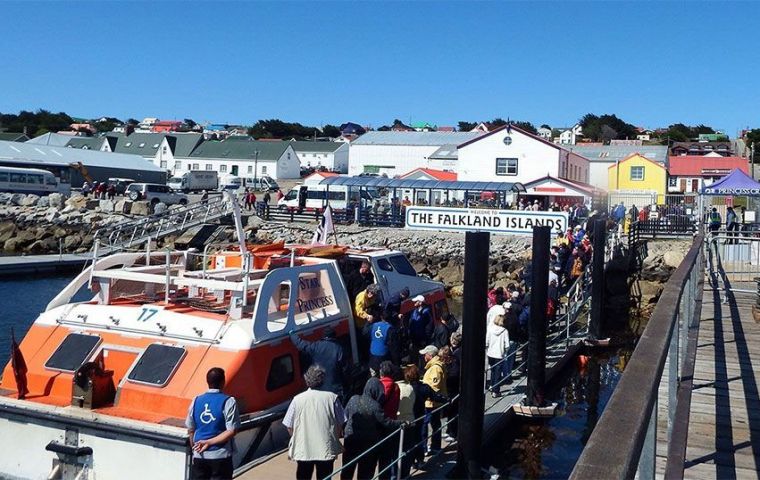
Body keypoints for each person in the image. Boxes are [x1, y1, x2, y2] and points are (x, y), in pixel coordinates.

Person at [283, 365, 344, 480]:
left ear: (306, 380)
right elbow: (340, 423)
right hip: (325, 448)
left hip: (304, 448)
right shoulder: (332, 398)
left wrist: (297, 437)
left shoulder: (297, 399)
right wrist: (334, 437)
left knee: (303, 476)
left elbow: (289, 425)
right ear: (322, 380)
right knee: (325, 476)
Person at [342, 377, 403, 480]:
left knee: (347, 470)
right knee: (365, 472)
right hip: (368, 443)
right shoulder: (375, 406)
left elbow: (345, 417)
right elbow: (387, 422)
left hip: (350, 440)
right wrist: (401, 423)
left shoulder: (353, 399)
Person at [186, 368, 240, 480]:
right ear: (223, 382)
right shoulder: (229, 401)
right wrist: (209, 442)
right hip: (220, 455)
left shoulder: (196, 400)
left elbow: (191, 429)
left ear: (207, 382)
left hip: (199, 455)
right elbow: (231, 431)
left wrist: (195, 448)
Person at [289, 326, 346, 402]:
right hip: (334, 388)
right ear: (334, 336)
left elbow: (300, 344)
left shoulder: (316, 346)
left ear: (323, 336)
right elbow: (344, 367)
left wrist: (292, 334)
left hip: (319, 388)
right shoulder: (338, 349)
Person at [421, 345, 449, 456]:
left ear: (430, 355)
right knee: (435, 424)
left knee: (425, 425)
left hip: (431, 402)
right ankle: (435, 446)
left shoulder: (435, 368)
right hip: (433, 402)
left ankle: (425, 448)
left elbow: (433, 387)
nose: (423, 356)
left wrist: (423, 391)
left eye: (425, 354)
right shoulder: (435, 366)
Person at [486, 314, 509, 398]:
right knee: (498, 373)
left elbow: (486, 342)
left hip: (491, 354)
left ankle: (491, 386)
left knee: (492, 370)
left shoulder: (490, 329)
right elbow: (507, 345)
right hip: (499, 354)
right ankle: (496, 391)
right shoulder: (504, 331)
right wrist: (505, 352)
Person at [409, 296, 434, 362]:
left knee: (421, 356)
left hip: (422, 339)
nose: (414, 302)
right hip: (415, 338)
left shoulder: (426, 312)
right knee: (415, 355)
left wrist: (425, 339)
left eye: (416, 301)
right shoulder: (415, 311)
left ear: (420, 303)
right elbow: (411, 323)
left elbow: (429, 327)